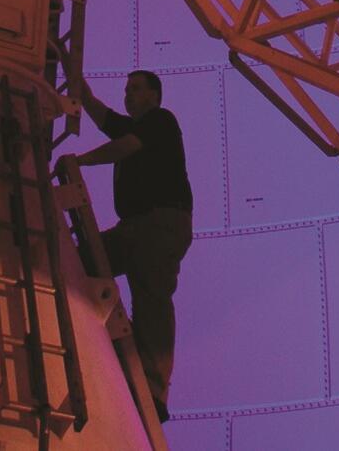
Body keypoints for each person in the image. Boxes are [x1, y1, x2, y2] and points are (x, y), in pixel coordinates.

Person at [76, 69, 193, 422]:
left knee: (152, 299)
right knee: (80, 263)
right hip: (137, 227)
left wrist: (80, 161)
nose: (127, 95)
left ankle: (154, 392)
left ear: (154, 95)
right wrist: (73, 72)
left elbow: (124, 146)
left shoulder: (160, 121)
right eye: (126, 89)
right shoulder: (136, 126)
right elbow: (98, 112)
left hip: (159, 224)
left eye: (135, 89)